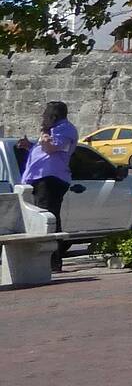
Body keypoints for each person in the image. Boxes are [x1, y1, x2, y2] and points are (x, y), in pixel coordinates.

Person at [23, 101, 79, 272]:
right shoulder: (52, 130)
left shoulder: (65, 130)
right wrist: (29, 146)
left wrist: (45, 134)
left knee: (48, 219)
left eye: (45, 114)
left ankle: (52, 261)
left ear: (54, 116)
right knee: (43, 218)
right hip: (39, 179)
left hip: (50, 180)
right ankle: (46, 260)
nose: (42, 117)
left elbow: (51, 148)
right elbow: (44, 152)